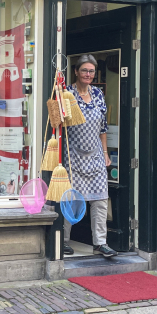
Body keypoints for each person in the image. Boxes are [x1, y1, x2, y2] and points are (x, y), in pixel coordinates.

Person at [62, 54, 117, 258]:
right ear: (76, 71)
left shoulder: (98, 93)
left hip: (95, 154)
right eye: (84, 70)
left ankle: (100, 243)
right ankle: (64, 240)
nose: (88, 74)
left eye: (91, 71)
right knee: (71, 199)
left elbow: (102, 127)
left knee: (101, 200)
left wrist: (105, 153)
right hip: (73, 154)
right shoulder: (67, 93)